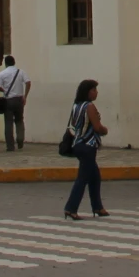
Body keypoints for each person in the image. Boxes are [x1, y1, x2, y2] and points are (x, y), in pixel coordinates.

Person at [61, 80, 108, 219]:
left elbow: (76, 125)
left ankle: (98, 207)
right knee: (83, 179)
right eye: (94, 90)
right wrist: (105, 130)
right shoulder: (90, 106)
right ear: (88, 92)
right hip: (88, 145)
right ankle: (71, 208)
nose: (96, 92)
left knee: (94, 177)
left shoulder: (76, 106)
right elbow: (97, 127)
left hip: (77, 144)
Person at [0, 55, 30, 151]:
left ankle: (10, 146)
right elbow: (28, 82)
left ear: (5, 63)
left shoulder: (2, 74)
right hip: (19, 99)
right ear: (14, 62)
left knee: (8, 123)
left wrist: (5, 90)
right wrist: (25, 96)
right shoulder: (21, 72)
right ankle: (20, 140)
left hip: (8, 100)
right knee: (19, 120)